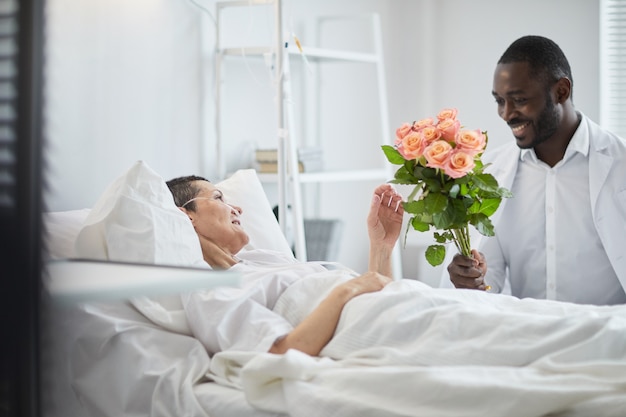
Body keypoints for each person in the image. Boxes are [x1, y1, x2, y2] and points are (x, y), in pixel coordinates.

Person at [445, 35, 626, 305]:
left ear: (561, 92)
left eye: (518, 99)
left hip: (606, 339)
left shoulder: (619, 163)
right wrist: (473, 280)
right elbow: (489, 278)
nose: (506, 114)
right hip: (527, 337)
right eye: (499, 101)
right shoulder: (492, 176)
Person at [166, 175, 404, 356]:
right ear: (186, 216)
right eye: (218, 197)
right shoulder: (209, 289)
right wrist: (347, 289)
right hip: (369, 329)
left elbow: (378, 297)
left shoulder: (263, 259)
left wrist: (381, 248)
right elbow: (281, 351)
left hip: (387, 310)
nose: (237, 209)